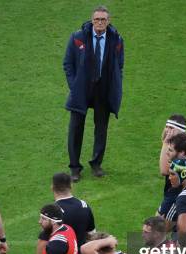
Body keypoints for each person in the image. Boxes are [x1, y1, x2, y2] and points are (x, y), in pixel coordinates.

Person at [63, 5, 124, 181]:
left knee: (101, 129)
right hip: (81, 90)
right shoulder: (77, 37)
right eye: (97, 19)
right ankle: (74, 168)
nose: (99, 22)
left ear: (108, 21)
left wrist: (116, 84)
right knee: (75, 129)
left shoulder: (116, 40)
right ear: (92, 20)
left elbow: (119, 65)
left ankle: (96, 164)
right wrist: (74, 85)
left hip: (103, 90)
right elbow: (68, 64)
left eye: (103, 19)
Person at [157, 114, 186, 222]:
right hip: (179, 190)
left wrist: (166, 142)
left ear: (180, 131)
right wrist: (166, 138)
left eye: (171, 128)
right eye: (166, 127)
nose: (167, 131)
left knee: (157, 228)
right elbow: (163, 137)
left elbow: (164, 170)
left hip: (175, 193)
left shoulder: (180, 148)